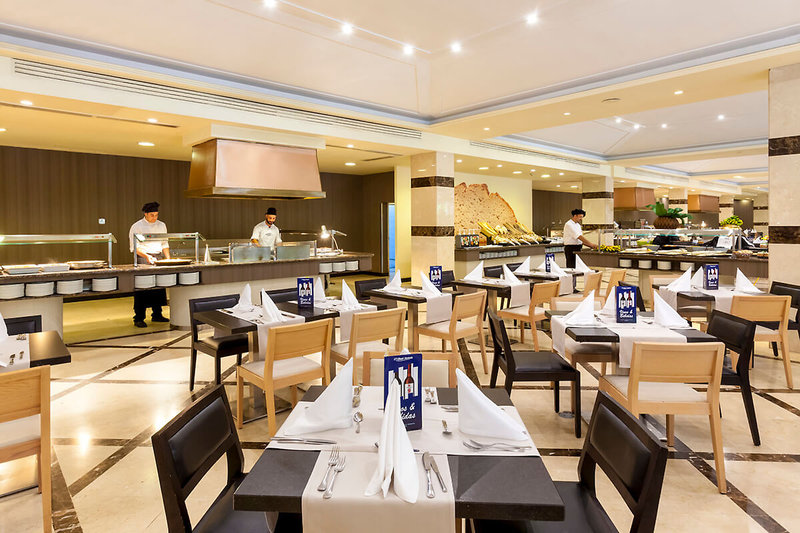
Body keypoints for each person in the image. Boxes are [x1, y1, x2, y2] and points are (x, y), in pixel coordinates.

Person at [128, 202, 170, 328]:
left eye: (156, 215)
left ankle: (157, 314)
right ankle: (139, 317)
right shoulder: (137, 226)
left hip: (158, 256)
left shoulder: (162, 225)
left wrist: (168, 259)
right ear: (145, 214)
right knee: (143, 288)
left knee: (159, 287)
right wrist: (147, 257)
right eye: (152, 215)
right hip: (143, 257)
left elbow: (164, 243)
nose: (154, 218)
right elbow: (134, 247)